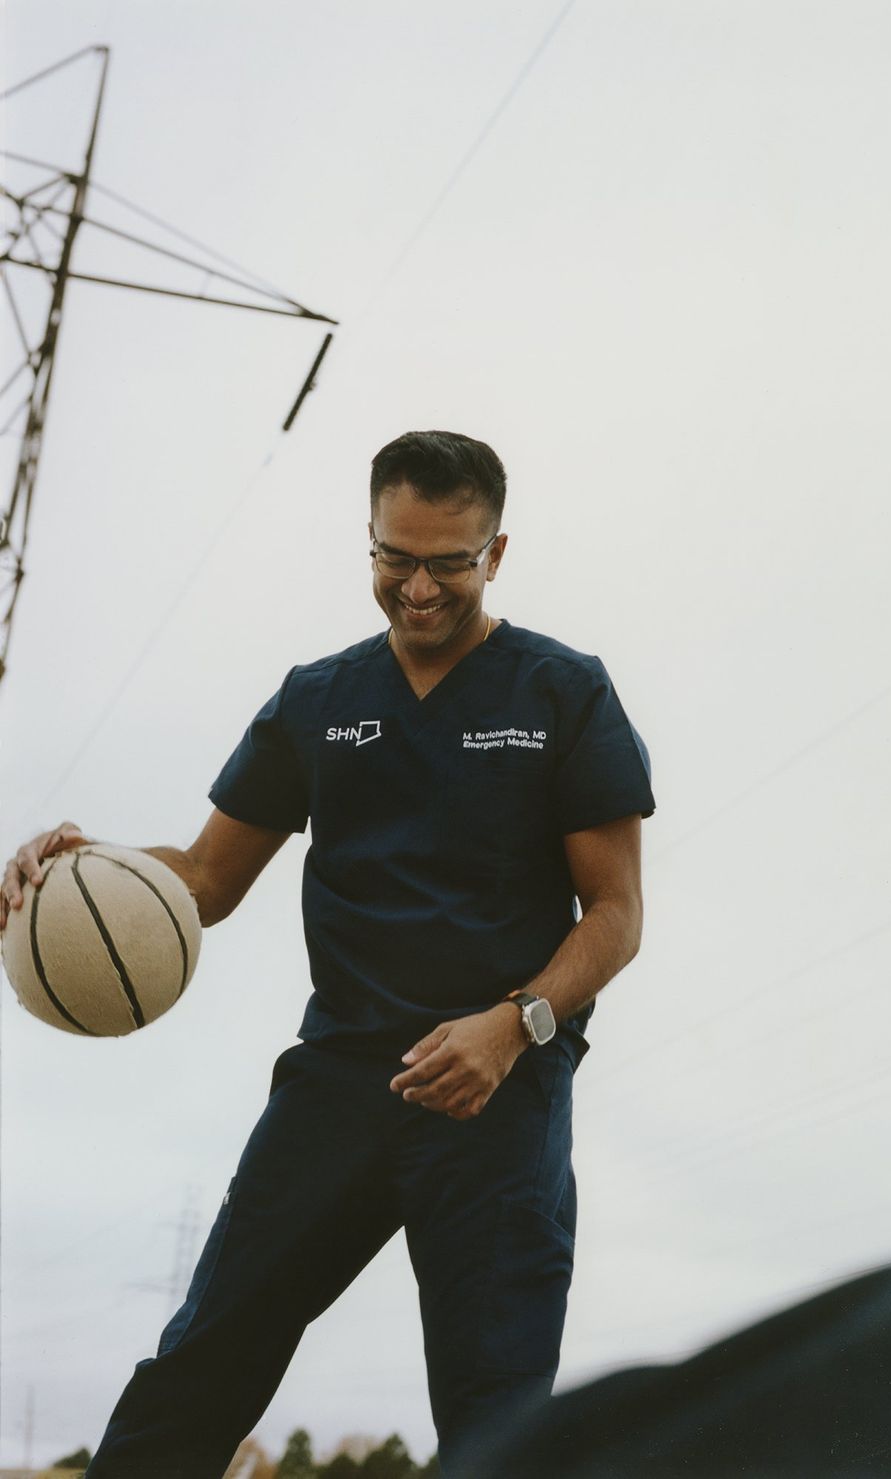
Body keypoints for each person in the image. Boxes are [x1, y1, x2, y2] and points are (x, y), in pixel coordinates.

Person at [1, 430, 655, 1478]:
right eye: (395, 557)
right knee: (198, 1368)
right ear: (368, 540)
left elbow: (614, 913)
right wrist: (83, 862)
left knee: (500, 1424)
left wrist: (513, 1025)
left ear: (496, 553)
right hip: (339, 1081)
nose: (421, 587)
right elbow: (205, 881)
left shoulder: (560, 692)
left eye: (450, 560)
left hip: (498, 1092)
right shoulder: (318, 698)